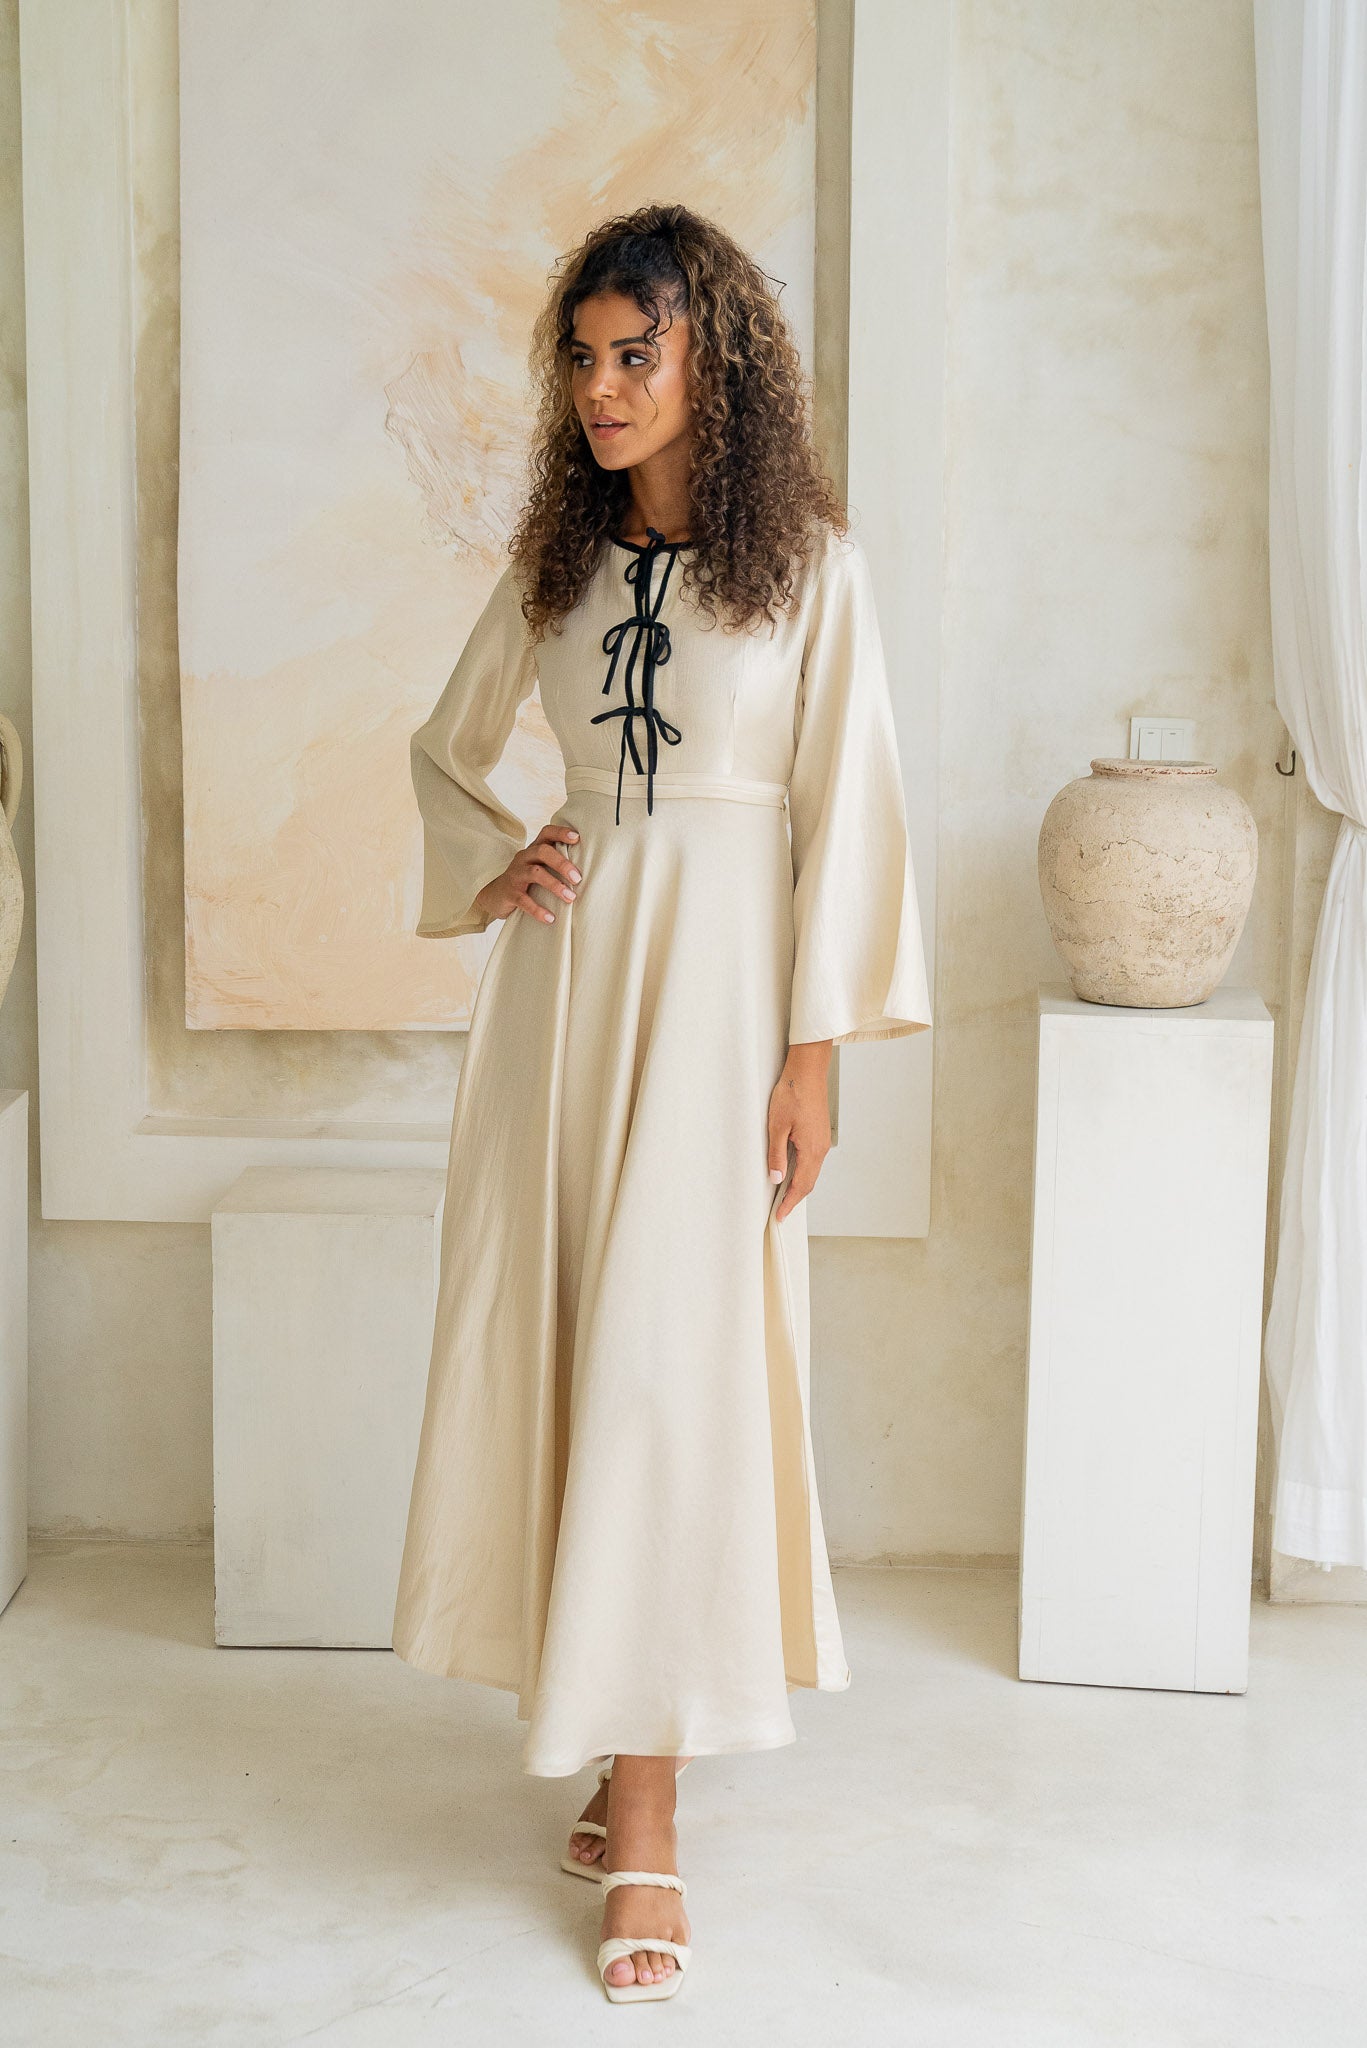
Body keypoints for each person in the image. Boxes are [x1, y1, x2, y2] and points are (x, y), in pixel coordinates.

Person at [391, 201, 932, 2005]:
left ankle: (649, 1809)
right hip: (565, 1011)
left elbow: (851, 813)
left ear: (719, 363)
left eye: (640, 354)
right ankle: (619, 1739)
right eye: (584, 357)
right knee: (578, 1357)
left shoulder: (813, 572)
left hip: (720, 1017)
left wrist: (813, 1056)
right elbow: (445, 746)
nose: (604, 388)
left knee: (672, 1378)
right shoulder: (555, 567)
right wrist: (499, 865)